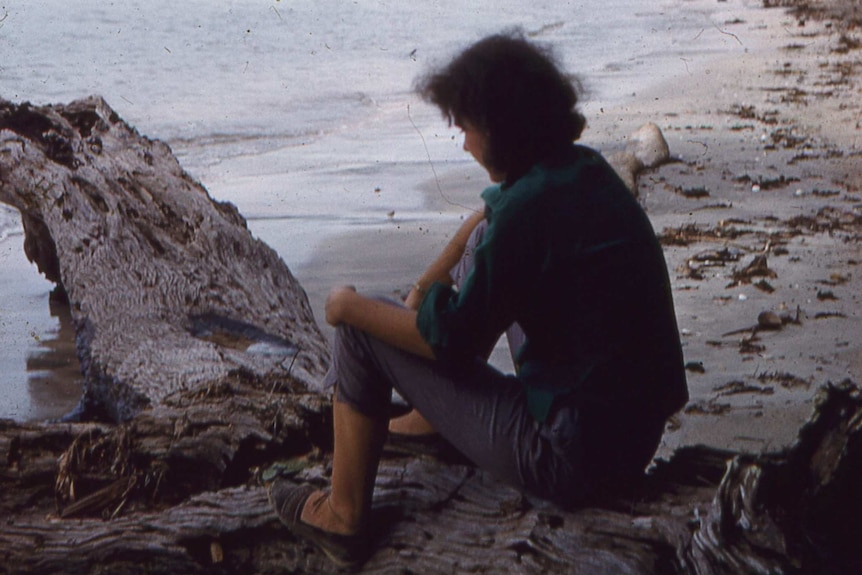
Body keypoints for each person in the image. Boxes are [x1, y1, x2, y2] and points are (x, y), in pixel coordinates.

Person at [269, 32, 688, 569]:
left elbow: (448, 344)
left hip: (570, 456)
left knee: (359, 330)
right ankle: (428, 419)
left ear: (501, 129)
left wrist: (345, 307)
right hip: (631, 438)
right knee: (479, 235)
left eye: (466, 128)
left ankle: (342, 517)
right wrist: (462, 241)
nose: (463, 144)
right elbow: (484, 264)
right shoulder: (584, 171)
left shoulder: (524, 213)